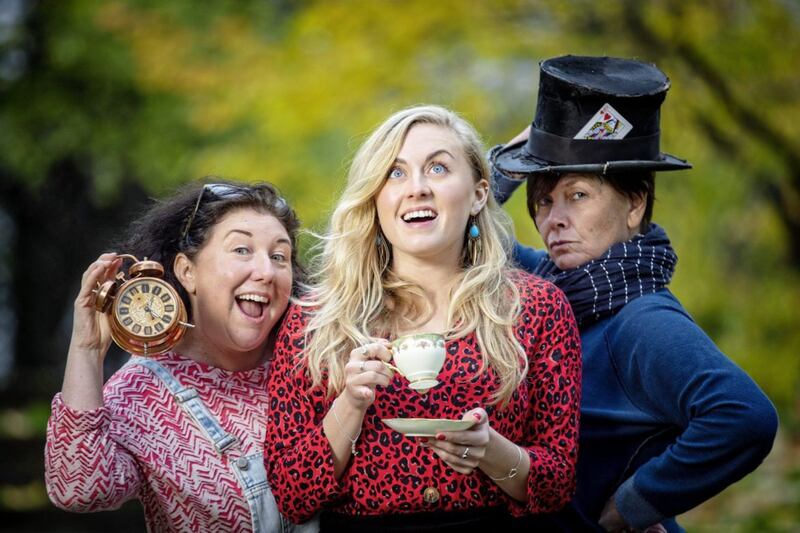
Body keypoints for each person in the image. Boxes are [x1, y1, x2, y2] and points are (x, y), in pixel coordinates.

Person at [489, 55, 779, 532]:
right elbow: (456, 236)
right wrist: (505, 167)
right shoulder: (548, 285)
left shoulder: (642, 322)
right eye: (544, 200)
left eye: (578, 195)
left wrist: (632, 506)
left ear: (635, 202)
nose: (554, 219)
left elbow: (744, 417)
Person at [265, 105, 582, 532]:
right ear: (375, 199)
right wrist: (351, 402)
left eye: (437, 168)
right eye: (395, 173)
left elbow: (557, 485)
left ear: (478, 194)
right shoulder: (315, 322)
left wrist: (490, 450)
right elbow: (291, 495)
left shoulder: (538, 308)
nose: (416, 188)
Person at [44, 179, 318, 532]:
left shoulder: (316, 360)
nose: (266, 272)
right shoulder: (142, 390)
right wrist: (87, 351)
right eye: (241, 250)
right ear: (187, 272)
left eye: (279, 256)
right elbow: (78, 490)